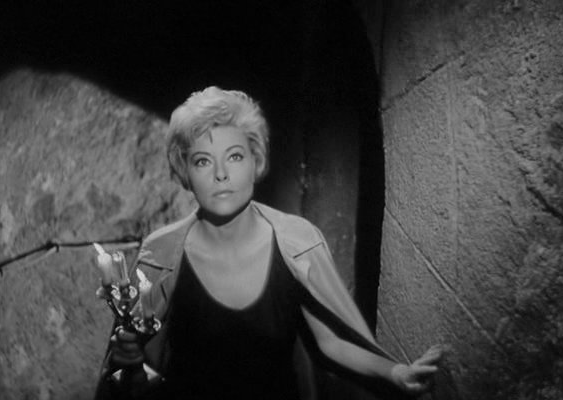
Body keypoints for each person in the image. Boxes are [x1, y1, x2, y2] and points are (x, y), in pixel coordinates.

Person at [94, 86, 443, 400]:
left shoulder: (297, 242)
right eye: (203, 161)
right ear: (186, 172)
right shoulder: (160, 254)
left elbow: (331, 342)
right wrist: (131, 368)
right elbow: (134, 374)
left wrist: (395, 373)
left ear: (255, 161)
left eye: (234, 156)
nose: (221, 174)